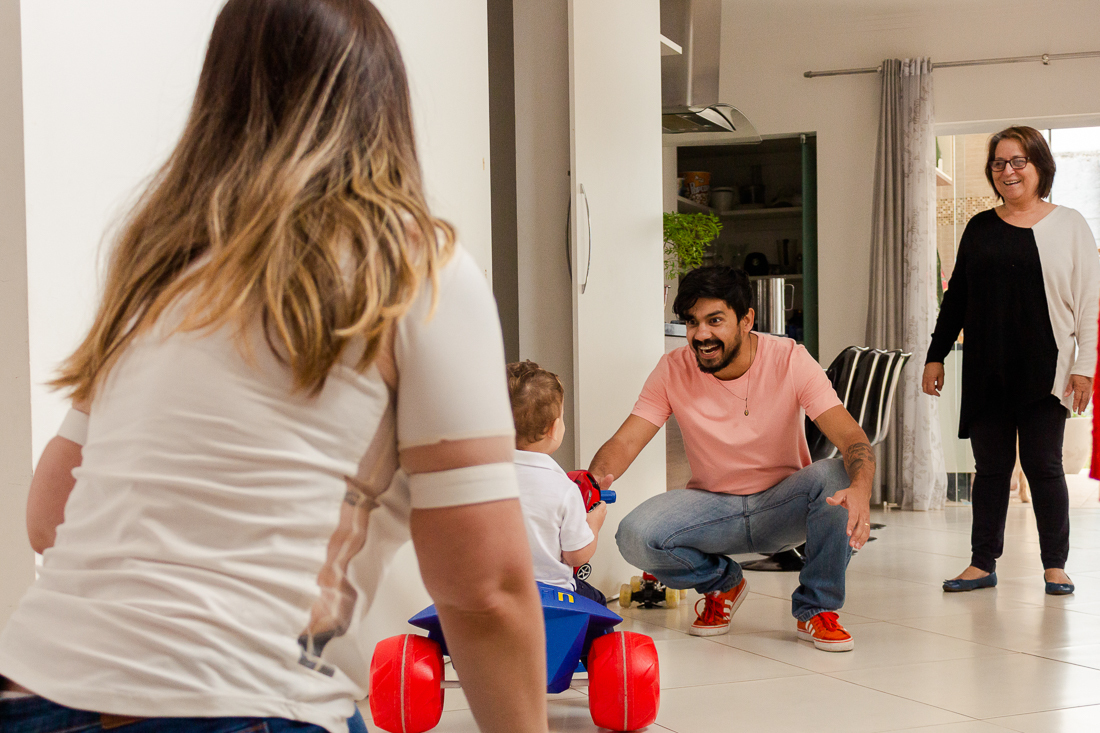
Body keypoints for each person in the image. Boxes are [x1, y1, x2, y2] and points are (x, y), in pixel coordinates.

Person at [0, 2, 549, 732]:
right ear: (382, 103)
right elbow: (487, 588)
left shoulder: (161, 271)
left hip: (30, 688)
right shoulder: (413, 266)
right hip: (240, 701)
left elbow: (50, 512)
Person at [590, 266, 875, 652]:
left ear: (746, 321)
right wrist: (588, 486)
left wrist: (860, 488)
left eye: (715, 320)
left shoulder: (790, 359)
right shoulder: (672, 369)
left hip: (783, 504)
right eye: (692, 322)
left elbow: (852, 438)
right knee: (635, 535)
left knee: (838, 474)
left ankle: (816, 609)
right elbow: (625, 442)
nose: (701, 335)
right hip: (713, 508)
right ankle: (724, 585)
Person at [923, 125, 1099, 597]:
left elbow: (1087, 303)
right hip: (987, 368)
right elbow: (956, 297)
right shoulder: (980, 227)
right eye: (999, 163)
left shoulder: (1071, 224)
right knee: (991, 469)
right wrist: (935, 355)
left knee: (1044, 466)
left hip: (1046, 368)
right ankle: (982, 563)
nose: (1008, 171)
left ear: (1040, 164)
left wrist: (1085, 367)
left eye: (1018, 161)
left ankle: (1055, 565)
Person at [507, 360, 608, 604]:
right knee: (598, 602)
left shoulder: (482, 478)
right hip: (552, 597)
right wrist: (593, 523)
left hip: (492, 595)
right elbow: (576, 557)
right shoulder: (563, 488)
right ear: (554, 428)